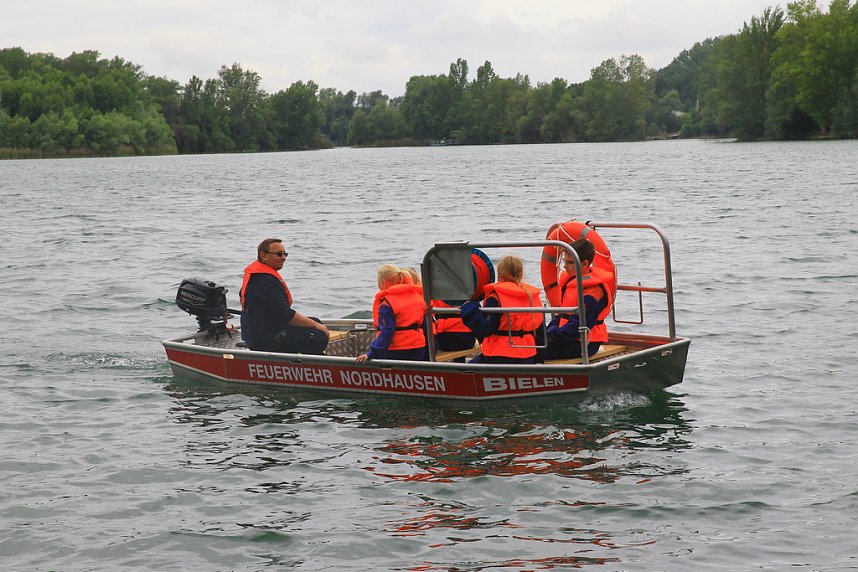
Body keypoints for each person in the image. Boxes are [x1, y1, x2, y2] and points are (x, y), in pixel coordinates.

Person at [239, 238, 329, 354]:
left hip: (264, 330)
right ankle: (307, 367)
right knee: (316, 336)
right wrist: (316, 326)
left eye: (285, 254)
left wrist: (315, 323)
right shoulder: (263, 281)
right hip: (264, 339)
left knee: (315, 322)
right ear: (263, 255)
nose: (283, 258)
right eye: (279, 254)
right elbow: (286, 315)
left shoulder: (262, 277)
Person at [460, 256, 544, 364]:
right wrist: (539, 361)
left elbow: (486, 328)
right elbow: (540, 332)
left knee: (465, 370)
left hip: (497, 355)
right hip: (527, 354)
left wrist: (469, 308)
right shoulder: (531, 296)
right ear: (521, 274)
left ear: (499, 274)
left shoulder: (496, 296)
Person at [545, 238, 614, 360]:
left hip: (585, 343)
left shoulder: (593, 292)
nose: (565, 266)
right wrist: (548, 331)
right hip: (567, 337)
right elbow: (564, 316)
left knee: (536, 353)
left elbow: (579, 325)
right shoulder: (572, 281)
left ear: (585, 264)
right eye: (565, 262)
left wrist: (551, 335)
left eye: (570, 263)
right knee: (533, 344)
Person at [356, 264, 428, 362]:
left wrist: (372, 353)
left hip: (397, 349)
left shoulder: (387, 303)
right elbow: (425, 325)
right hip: (419, 347)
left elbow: (387, 331)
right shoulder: (418, 297)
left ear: (383, 282)